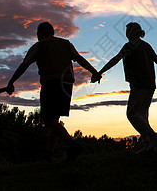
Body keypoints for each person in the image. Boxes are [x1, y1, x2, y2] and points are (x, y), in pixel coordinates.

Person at [6, 21, 101, 161]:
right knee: (55, 119)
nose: (37, 36)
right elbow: (79, 59)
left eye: (38, 34)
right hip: (67, 83)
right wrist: (94, 71)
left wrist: (11, 82)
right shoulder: (66, 43)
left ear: (41, 33)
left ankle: (72, 145)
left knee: (47, 118)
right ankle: (49, 154)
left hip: (51, 82)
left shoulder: (39, 46)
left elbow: (24, 65)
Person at [93, 22, 157, 153]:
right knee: (142, 116)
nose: (126, 33)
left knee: (132, 114)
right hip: (150, 84)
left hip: (139, 84)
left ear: (131, 33)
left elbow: (115, 60)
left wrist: (99, 73)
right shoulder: (146, 46)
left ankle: (152, 136)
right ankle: (148, 146)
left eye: (127, 30)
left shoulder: (129, 46)